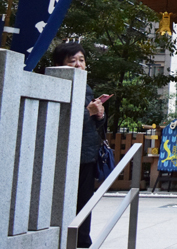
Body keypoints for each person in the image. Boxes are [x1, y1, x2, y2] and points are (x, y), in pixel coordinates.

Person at [53, 42, 105, 248]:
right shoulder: (55, 83)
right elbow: (62, 119)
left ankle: (83, 240)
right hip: (64, 152)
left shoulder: (86, 87)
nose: (78, 65)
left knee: (85, 199)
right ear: (59, 64)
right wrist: (89, 112)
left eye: (81, 60)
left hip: (86, 152)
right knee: (65, 199)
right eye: (72, 60)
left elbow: (93, 122)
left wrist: (99, 114)